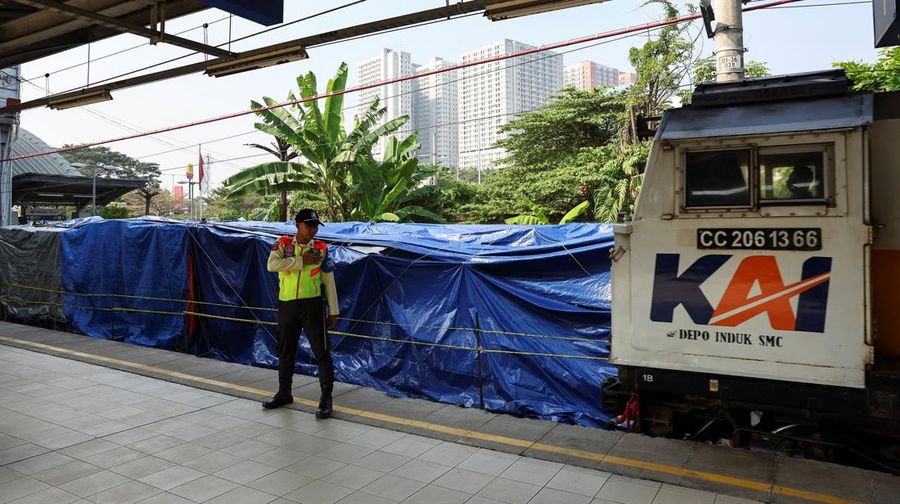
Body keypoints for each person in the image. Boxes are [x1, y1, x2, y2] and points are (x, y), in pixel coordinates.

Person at [263, 208, 339, 418]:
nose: (312, 230)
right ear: (297, 225)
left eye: (315, 226)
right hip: (287, 305)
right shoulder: (284, 244)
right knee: (286, 351)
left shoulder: (322, 249)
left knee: (322, 352)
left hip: (312, 305)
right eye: (308, 226)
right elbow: (272, 265)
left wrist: (333, 310)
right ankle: (284, 392)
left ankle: (326, 399)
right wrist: (300, 261)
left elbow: (328, 280)